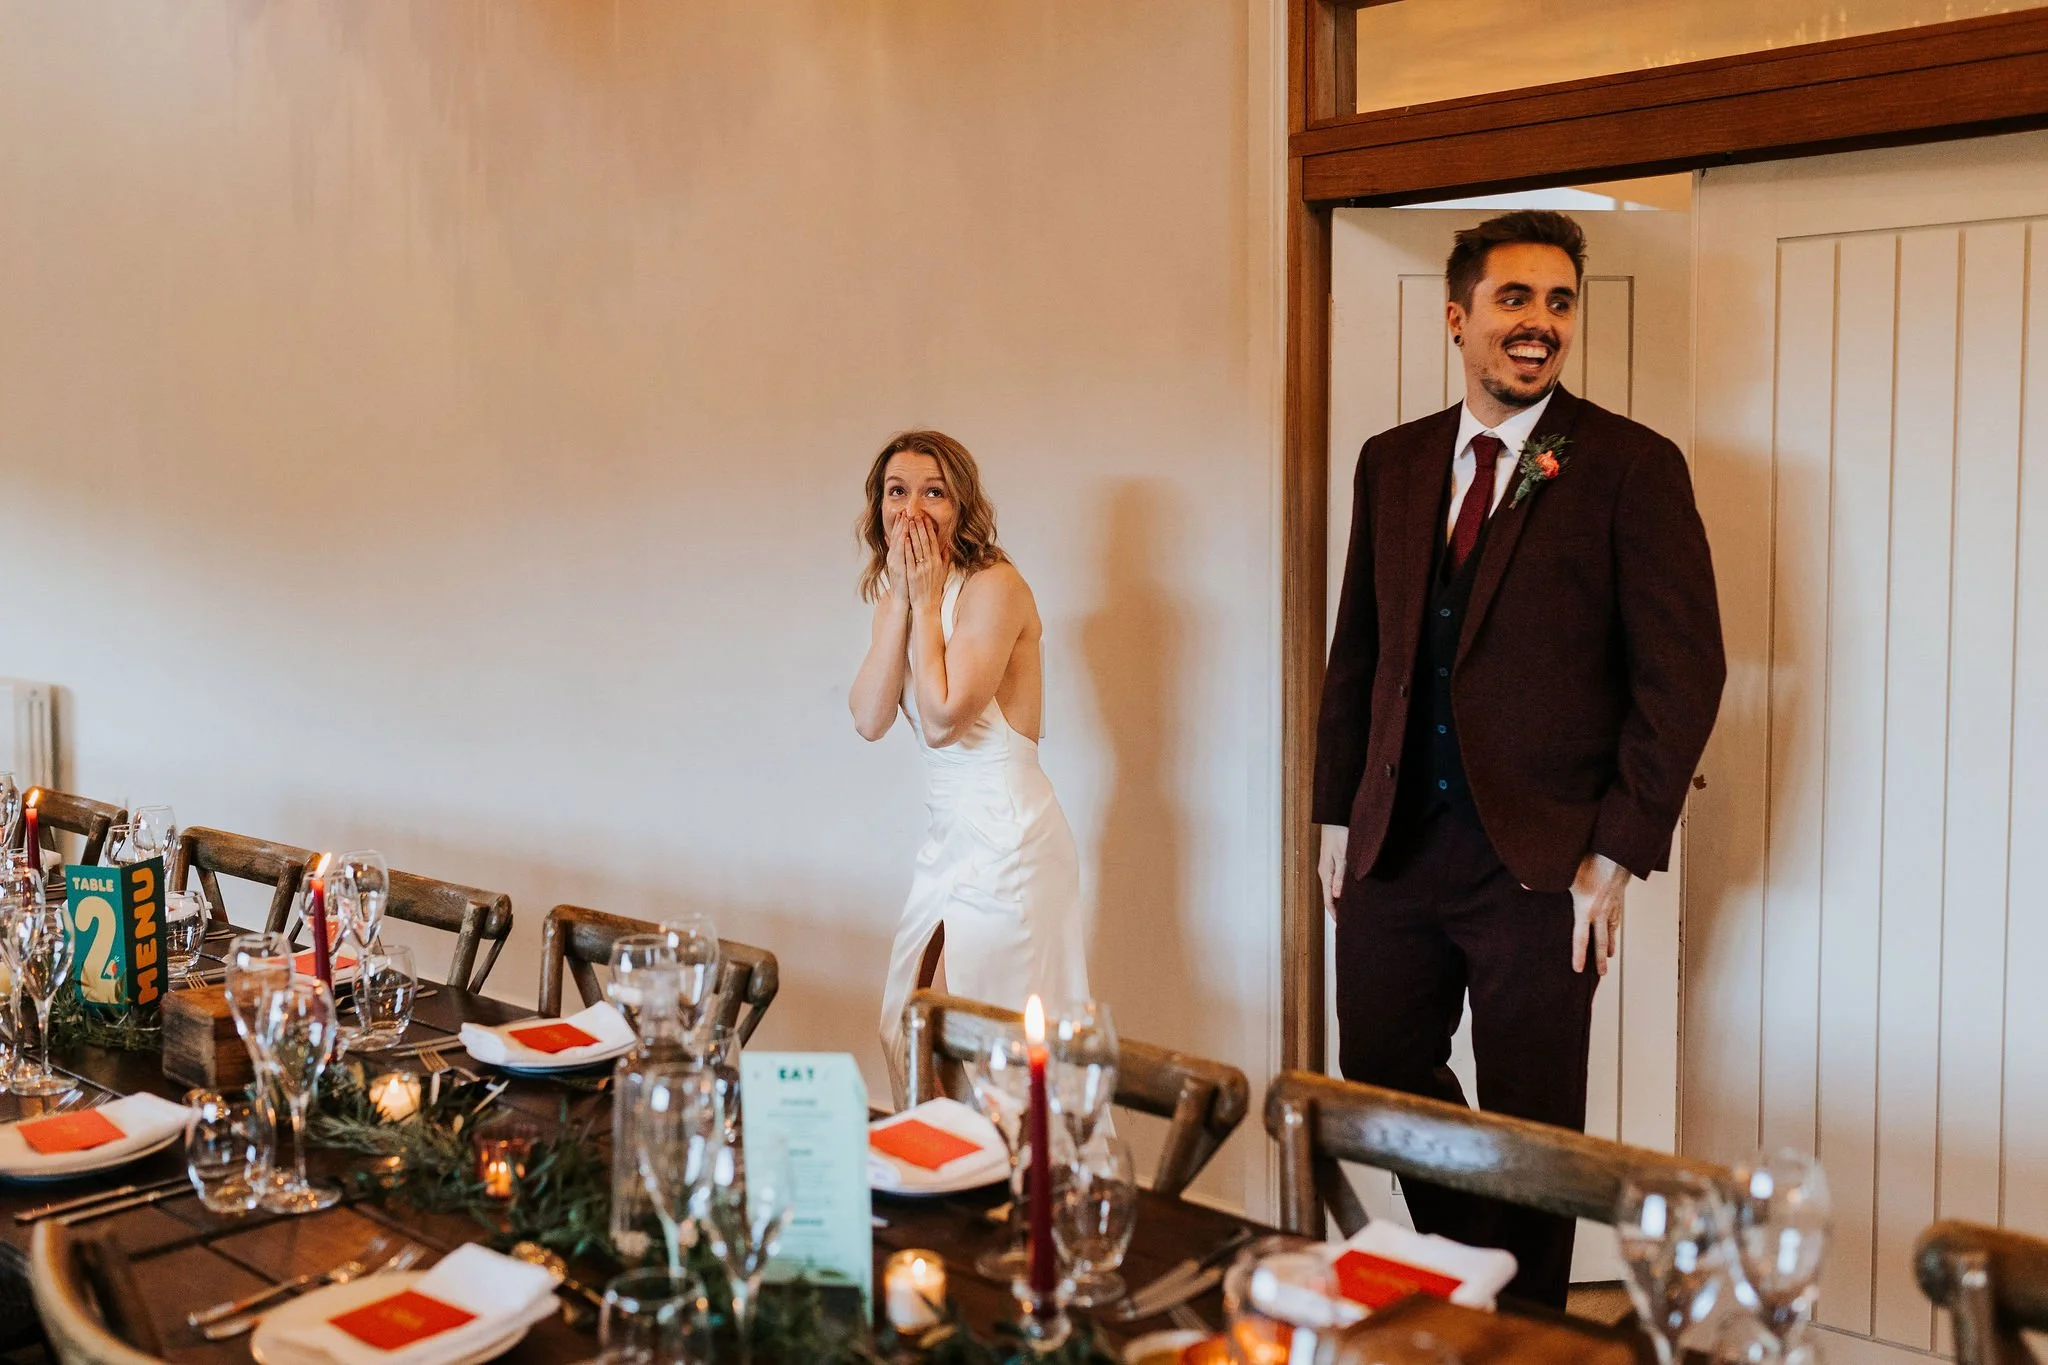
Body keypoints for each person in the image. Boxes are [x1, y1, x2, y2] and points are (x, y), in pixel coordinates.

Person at [1313, 211, 1725, 1307]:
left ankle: (1528, 1329)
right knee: (1378, 1068)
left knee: (1536, 1123)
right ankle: (1480, 1274)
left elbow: (1683, 675)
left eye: (1555, 303)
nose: (1537, 324)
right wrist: (1332, 819)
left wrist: (1618, 854)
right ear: (1457, 317)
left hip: (1545, 862)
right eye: (1513, 300)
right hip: (1395, 842)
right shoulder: (1389, 463)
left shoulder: (1629, 466)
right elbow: (1359, 648)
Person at [851, 430, 1089, 1094]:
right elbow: (870, 717)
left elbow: (942, 717)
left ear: (962, 506)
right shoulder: (895, 596)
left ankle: (1015, 1190)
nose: (913, 510)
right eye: (897, 492)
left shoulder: (996, 586)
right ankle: (937, 1179)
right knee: (906, 1025)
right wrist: (900, 599)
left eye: (935, 492)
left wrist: (927, 604)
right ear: (879, 507)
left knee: (992, 1060)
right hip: (948, 839)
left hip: (1010, 837)